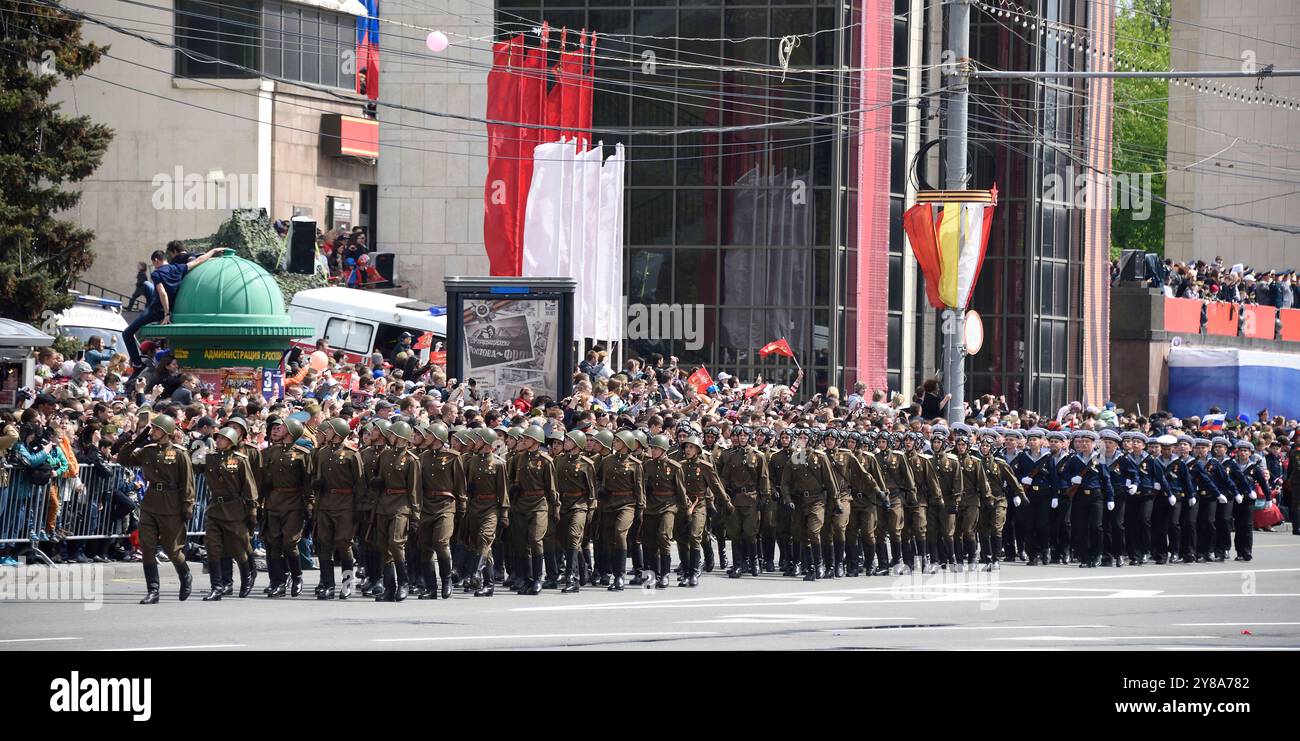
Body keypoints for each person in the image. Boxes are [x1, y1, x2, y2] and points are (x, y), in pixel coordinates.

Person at [115, 414, 194, 604]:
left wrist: (187, 506)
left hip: (171, 504)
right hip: (150, 503)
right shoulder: (148, 450)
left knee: (172, 550)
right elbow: (123, 459)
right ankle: (153, 590)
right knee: (147, 547)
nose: (153, 431)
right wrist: (136, 441)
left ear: (166, 432)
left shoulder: (179, 453)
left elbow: (188, 483)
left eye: (157, 429)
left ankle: (185, 575)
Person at [122, 247, 221, 368]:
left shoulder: (156, 273)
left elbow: (162, 293)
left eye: (153, 263)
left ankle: (137, 364)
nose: (154, 266)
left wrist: (166, 314)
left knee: (127, 334)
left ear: (156, 260)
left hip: (157, 311)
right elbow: (199, 260)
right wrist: (214, 251)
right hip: (172, 310)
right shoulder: (178, 268)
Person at [197, 427, 258, 601]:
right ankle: (216, 587)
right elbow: (193, 465)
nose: (218, 441)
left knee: (239, 549)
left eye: (222, 438)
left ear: (231, 441)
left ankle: (246, 579)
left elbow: (249, 486)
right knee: (213, 548)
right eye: (217, 438)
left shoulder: (240, 460)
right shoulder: (210, 458)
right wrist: (197, 446)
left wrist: (252, 510)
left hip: (234, 509)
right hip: (215, 508)